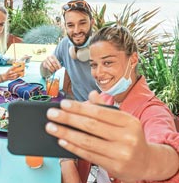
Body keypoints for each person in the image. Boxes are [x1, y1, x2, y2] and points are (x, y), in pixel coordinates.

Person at [45, 26, 179, 182]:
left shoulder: (153, 112)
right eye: (93, 65)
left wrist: (146, 162)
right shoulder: (107, 98)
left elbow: (167, 158)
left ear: (133, 60)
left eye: (108, 62)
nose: (98, 73)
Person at [40, 0, 100, 101]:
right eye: (70, 25)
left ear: (92, 22)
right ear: (65, 27)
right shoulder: (65, 44)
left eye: (82, 23)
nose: (76, 30)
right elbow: (44, 74)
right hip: (76, 107)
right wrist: (46, 65)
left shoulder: (105, 48)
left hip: (101, 111)